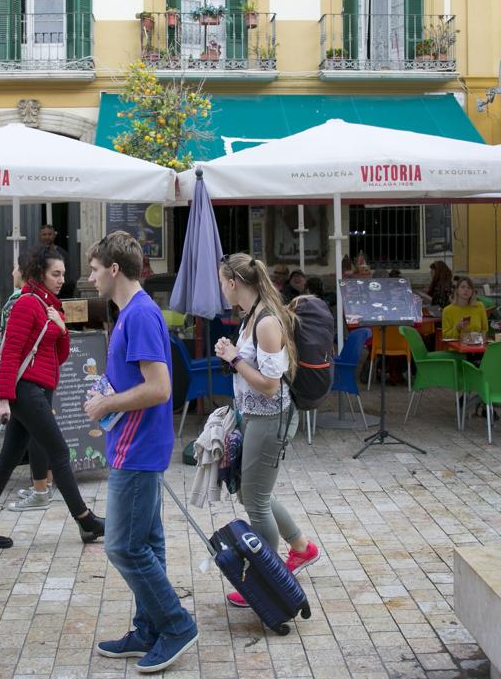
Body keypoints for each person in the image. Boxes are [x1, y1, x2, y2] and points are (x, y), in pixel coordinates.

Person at [85, 232, 198, 673]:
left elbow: (159, 387)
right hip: (133, 444)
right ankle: (148, 628)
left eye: (95, 269)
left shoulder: (141, 315)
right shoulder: (132, 313)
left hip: (137, 447)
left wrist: (107, 404)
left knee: (122, 547)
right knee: (148, 544)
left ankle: (175, 624)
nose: (90, 277)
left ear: (114, 269)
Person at [0, 247, 104, 549]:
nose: (61, 280)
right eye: (55, 274)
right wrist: (4, 399)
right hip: (26, 390)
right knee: (58, 451)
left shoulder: (50, 307)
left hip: (39, 389)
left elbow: (60, 355)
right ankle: (86, 520)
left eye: (63, 275)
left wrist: (62, 330)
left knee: (7, 458)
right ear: (40, 273)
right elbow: (10, 353)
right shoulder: (27, 304)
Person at [213, 253, 321, 609]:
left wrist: (233, 359)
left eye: (221, 281)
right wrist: (233, 355)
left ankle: (267, 578)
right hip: (254, 417)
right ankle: (302, 548)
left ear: (233, 282)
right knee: (252, 493)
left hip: (270, 417)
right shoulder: (250, 317)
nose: (220, 288)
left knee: (255, 502)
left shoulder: (265, 323)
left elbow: (271, 386)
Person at [0, 261, 55, 512]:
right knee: (23, 444)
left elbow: (9, 347)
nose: (12, 271)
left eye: (16, 268)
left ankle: (45, 491)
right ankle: (44, 486)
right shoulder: (44, 302)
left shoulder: (20, 301)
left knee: (46, 443)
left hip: (26, 381)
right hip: (40, 379)